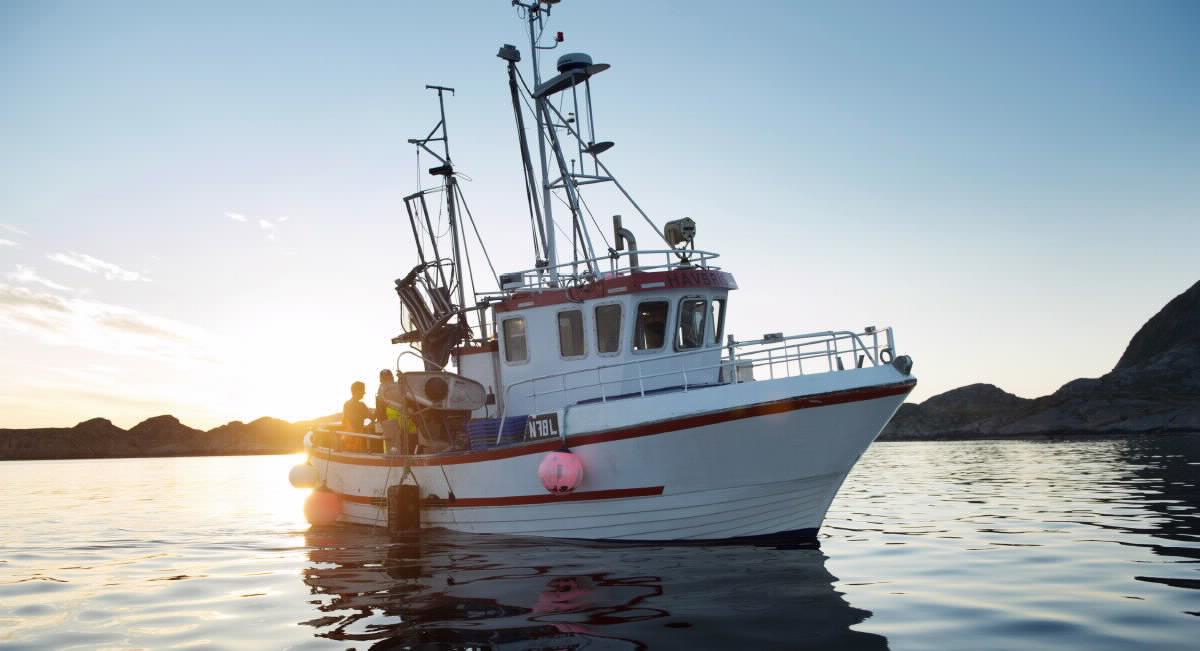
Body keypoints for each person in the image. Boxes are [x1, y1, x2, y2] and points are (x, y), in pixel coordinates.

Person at [341, 381, 370, 451]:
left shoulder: (346, 404)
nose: (364, 393)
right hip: (356, 440)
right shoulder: (361, 405)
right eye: (363, 391)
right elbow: (372, 417)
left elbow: (345, 420)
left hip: (346, 438)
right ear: (357, 391)